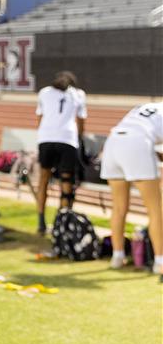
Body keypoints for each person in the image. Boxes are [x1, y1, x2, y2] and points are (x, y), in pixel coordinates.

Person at [100, 102, 163, 278]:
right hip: (137, 143)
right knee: (155, 209)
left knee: (119, 207)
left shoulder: (148, 106)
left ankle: (117, 256)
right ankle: (160, 262)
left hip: (113, 143)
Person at [34, 70, 87, 234]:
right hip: (67, 140)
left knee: (43, 180)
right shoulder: (78, 94)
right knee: (66, 181)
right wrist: (79, 138)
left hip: (45, 139)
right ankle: (61, 223)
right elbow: (81, 119)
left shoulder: (44, 92)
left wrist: (43, 135)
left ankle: (41, 221)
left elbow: (39, 117)